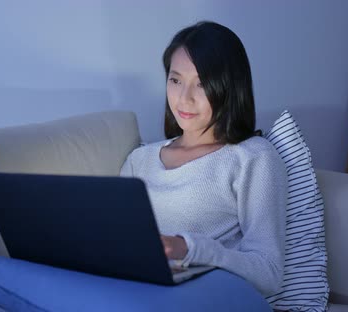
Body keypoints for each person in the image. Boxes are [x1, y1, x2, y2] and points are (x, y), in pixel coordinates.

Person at [119, 21, 288, 297]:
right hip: (142, 289)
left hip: (209, 296)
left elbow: (268, 274)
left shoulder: (253, 158)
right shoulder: (140, 160)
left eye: (202, 84)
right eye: (175, 80)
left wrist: (189, 248)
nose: (184, 98)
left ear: (229, 88)